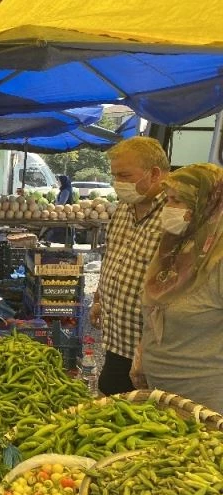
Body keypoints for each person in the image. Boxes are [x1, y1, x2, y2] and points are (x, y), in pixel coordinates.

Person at [130, 164, 223, 412]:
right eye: (168, 199)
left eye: (178, 201)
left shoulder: (217, 260)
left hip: (205, 399)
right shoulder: (173, 249)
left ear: (206, 205)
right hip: (159, 390)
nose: (168, 208)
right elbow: (155, 308)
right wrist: (142, 352)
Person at [91, 137, 169, 395]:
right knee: (109, 396)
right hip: (117, 339)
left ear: (154, 173)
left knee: (148, 411)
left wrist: (147, 348)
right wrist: (99, 298)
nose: (117, 183)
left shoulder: (175, 215)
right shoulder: (124, 209)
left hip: (150, 349)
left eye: (124, 175)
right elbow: (112, 256)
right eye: (114, 175)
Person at [46, 175, 75, 245]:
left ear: (62, 181)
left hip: (64, 214)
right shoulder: (64, 189)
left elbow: (61, 204)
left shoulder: (65, 191)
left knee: (60, 231)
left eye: (58, 181)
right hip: (63, 214)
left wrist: (54, 206)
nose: (57, 182)